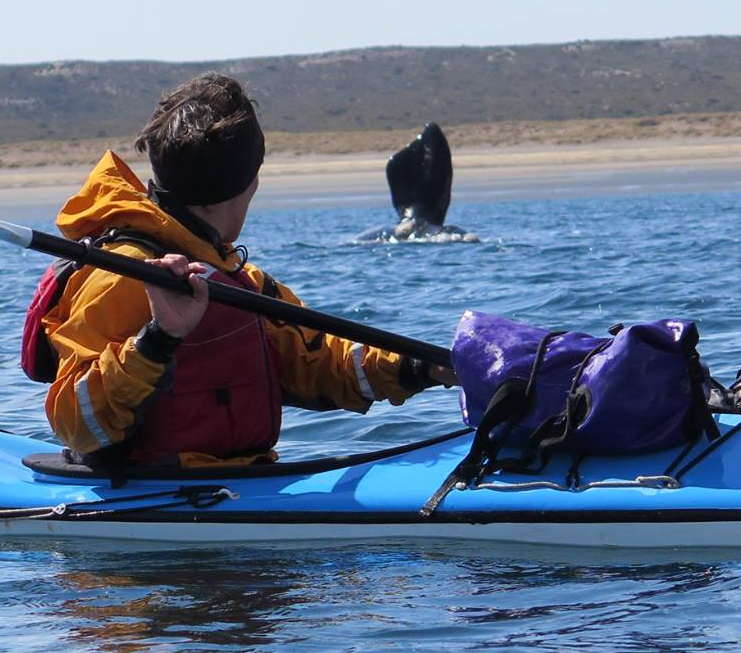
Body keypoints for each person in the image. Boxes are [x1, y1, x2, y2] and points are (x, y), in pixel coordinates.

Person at [33, 73, 451, 468]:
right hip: (162, 500)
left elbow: (321, 361)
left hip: (236, 484)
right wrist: (158, 339)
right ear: (250, 182)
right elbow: (76, 426)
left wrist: (419, 367)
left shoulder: (235, 277)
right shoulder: (124, 277)